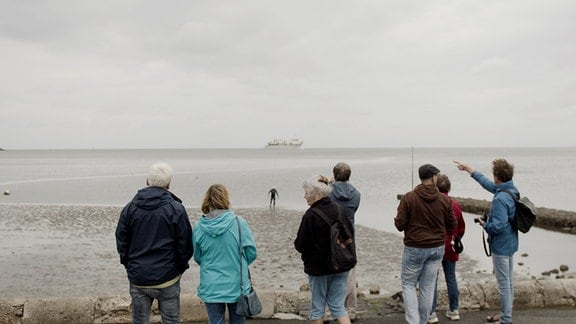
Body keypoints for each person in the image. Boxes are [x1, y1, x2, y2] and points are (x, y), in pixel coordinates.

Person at [115, 162, 193, 324]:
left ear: (147, 181)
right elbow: (185, 245)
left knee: (140, 320)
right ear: (168, 184)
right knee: (171, 320)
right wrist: (179, 268)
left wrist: (129, 264)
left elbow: (122, 241)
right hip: (167, 277)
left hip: (139, 276)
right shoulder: (176, 209)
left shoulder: (130, 209)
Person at [454, 159, 518, 324]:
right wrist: (470, 169)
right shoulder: (511, 189)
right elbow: (487, 184)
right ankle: (505, 314)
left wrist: (484, 224)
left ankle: (506, 319)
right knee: (509, 281)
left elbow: (497, 227)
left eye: (494, 175)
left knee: (504, 283)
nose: (493, 177)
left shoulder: (499, 199)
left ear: (498, 177)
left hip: (501, 246)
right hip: (511, 242)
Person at [394, 164, 456, 324]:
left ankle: (413, 320)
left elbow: (400, 224)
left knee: (408, 284)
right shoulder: (444, 200)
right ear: (434, 177)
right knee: (427, 286)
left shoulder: (409, 198)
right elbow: (452, 224)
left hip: (415, 247)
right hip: (436, 248)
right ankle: (422, 320)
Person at [193, 184, 257, 324]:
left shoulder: (199, 227)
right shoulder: (239, 223)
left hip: (211, 284)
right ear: (225, 199)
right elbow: (251, 252)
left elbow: (198, 256)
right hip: (237, 284)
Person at [294, 175, 353, 324]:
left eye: (307, 192)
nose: (304, 196)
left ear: (318, 194)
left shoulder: (311, 215)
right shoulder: (340, 210)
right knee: (338, 306)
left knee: (317, 308)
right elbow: (349, 234)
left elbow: (300, 245)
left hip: (319, 267)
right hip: (341, 264)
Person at [428, 174, 466, 323]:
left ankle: (431, 312)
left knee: (432, 279)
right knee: (451, 277)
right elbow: (461, 227)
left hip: (435, 244)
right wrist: (456, 238)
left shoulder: (433, 204)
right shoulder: (455, 204)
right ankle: (454, 309)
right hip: (450, 245)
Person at [328, 162, 361, 321]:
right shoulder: (356, 194)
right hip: (349, 237)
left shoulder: (328, 193)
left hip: (330, 237)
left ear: (334, 175)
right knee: (350, 275)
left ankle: (328, 312)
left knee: (328, 274)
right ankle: (350, 310)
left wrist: (329, 184)